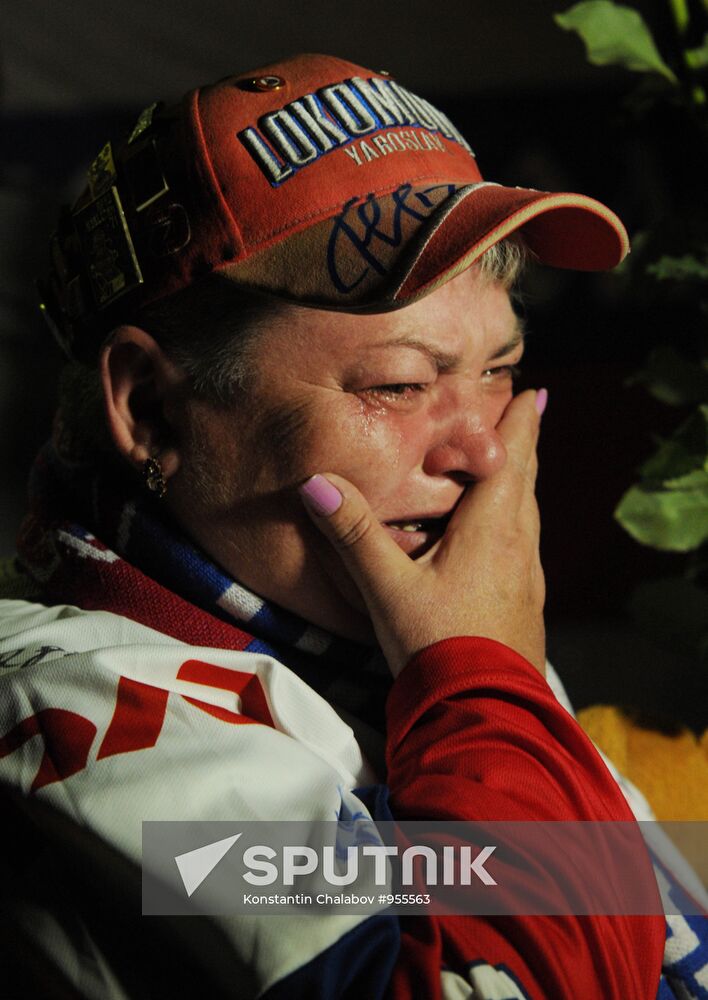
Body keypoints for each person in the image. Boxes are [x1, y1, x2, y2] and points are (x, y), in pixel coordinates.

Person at [0, 52, 700, 999]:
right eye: (400, 384)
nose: (483, 452)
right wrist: (483, 685)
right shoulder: (79, 715)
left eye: (500, 370)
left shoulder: (409, 625)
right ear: (153, 409)